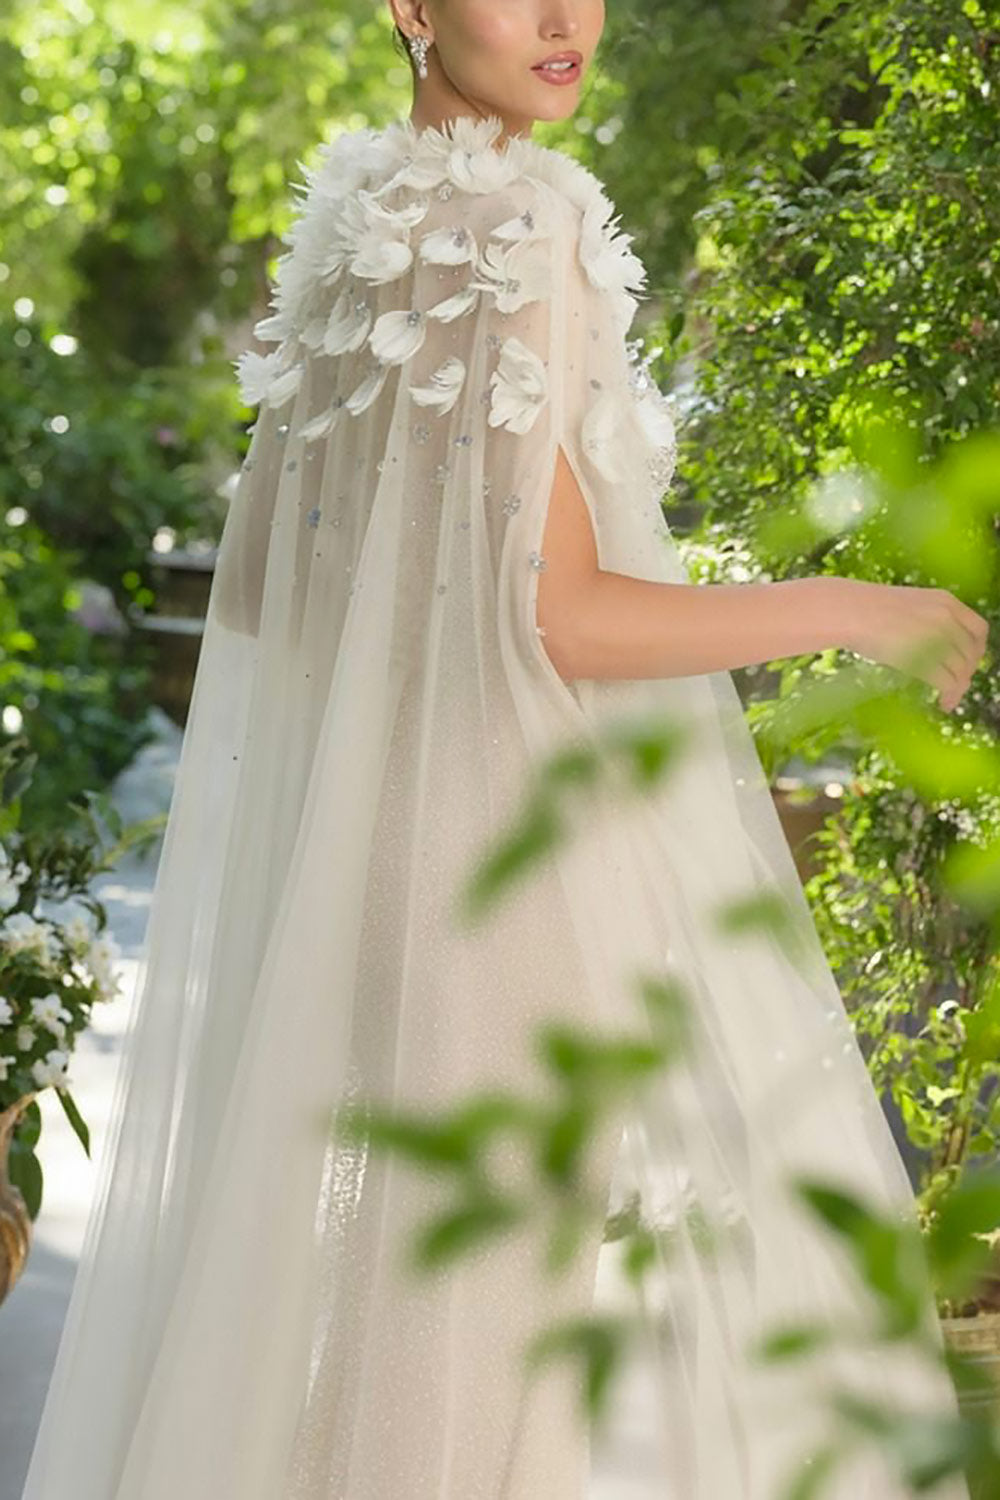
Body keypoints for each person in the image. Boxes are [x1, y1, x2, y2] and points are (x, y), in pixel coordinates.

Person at [20, 1, 985, 1496]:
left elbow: (274, 595)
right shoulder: (517, 221)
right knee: (470, 1390)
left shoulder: (346, 222)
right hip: (503, 882)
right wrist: (853, 606)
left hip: (379, 869)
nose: (562, 17)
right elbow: (569, 620)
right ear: (411, 4)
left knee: (402, 1337)